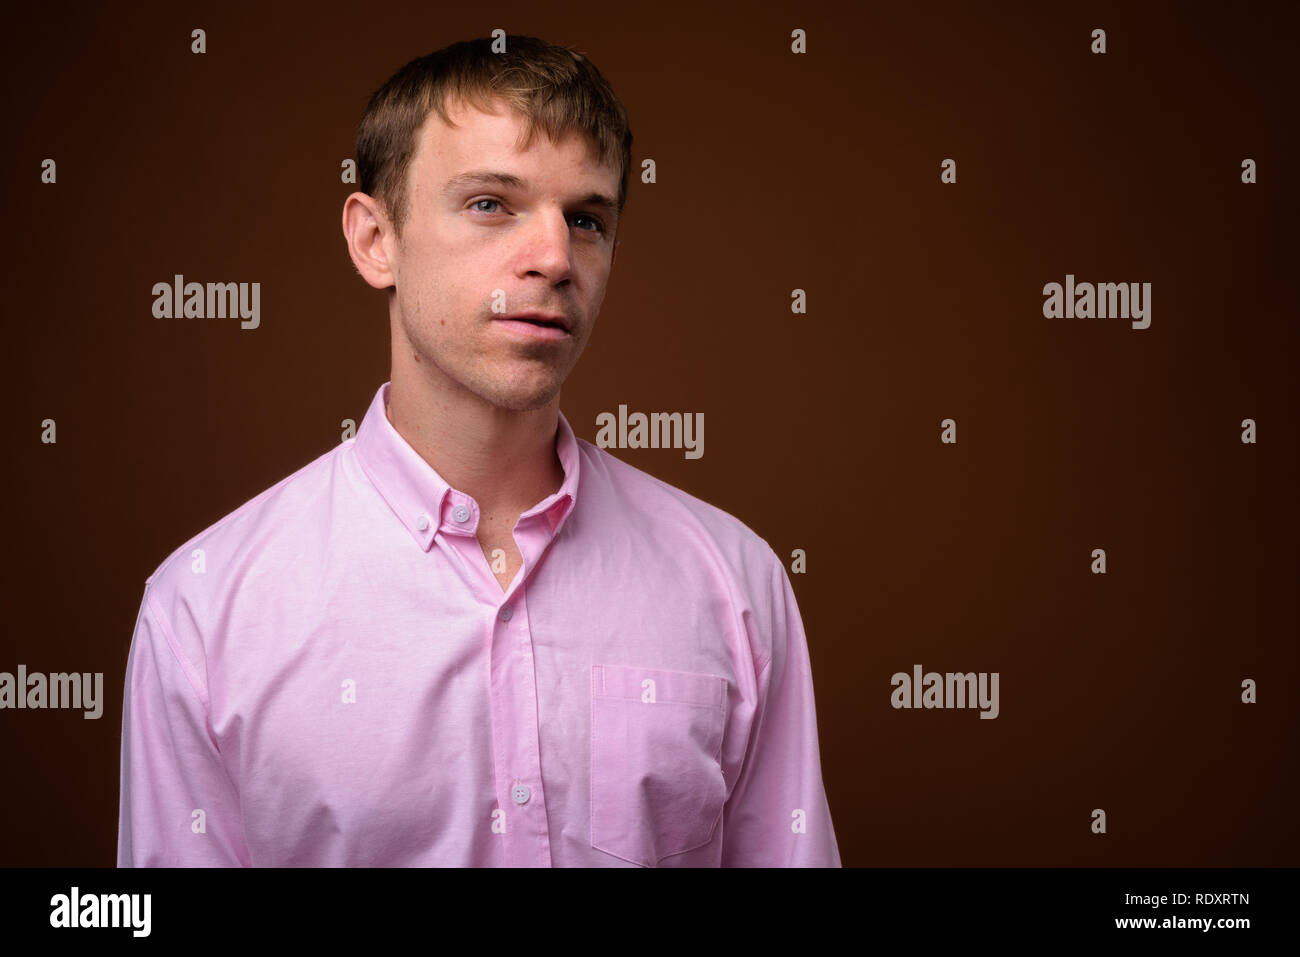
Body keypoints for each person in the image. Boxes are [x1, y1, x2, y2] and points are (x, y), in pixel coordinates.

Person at [116, 34, 840, 867]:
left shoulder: (737, 584)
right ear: (374, 239)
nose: (556, 258)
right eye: (492, 203)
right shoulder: (204, 612)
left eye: (587, 218)